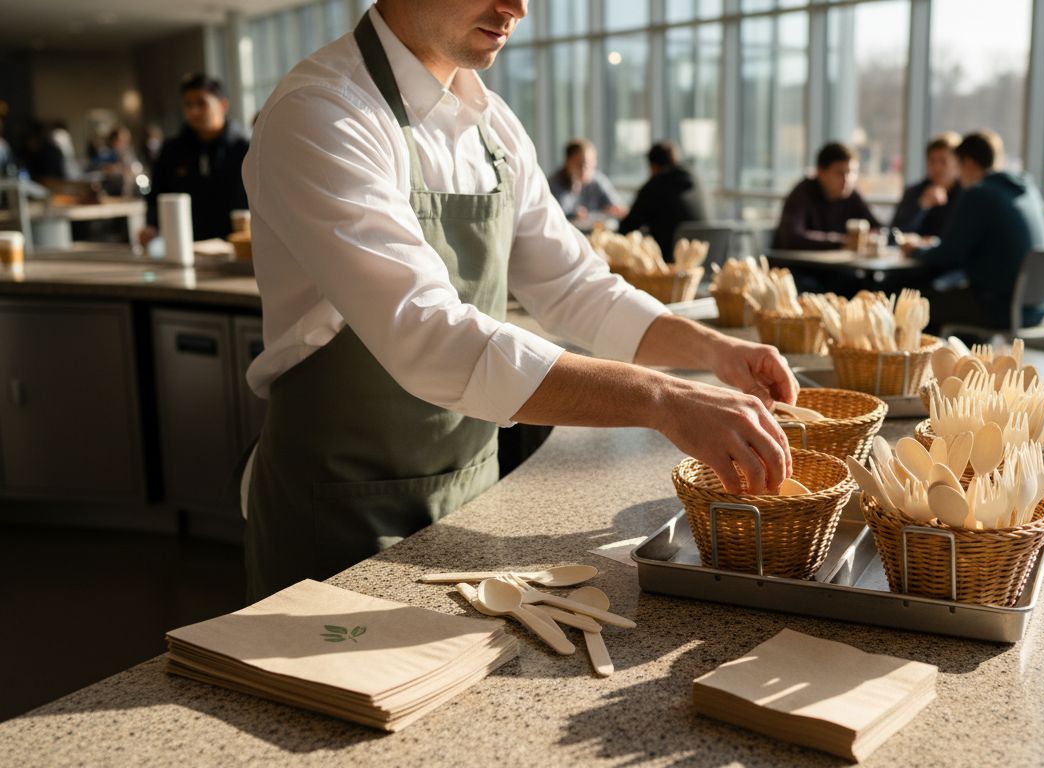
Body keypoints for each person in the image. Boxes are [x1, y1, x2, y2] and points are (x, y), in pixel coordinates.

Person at [241, 1, 795, 600]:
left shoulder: (492, 126)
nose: (518, 7)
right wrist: (664, 399)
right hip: (336, 508)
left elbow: (575, 285)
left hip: (472, 492)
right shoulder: (323, 111)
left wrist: (714, 351)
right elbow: (430, 335)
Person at [901, 131, 1044, 334]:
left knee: (919, 304)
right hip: (1037, 306)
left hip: (1001, 306)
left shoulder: (980, 194)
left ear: (968, 163)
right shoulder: (1025, 189)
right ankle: (970, 361)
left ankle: (937, 364)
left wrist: (915, 250)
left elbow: (949, 253)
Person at [138, 74, 249, 247]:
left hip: (235, 247)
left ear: (222, 105)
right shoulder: (172, 151)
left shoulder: (244, 150)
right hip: (184, 247)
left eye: (201, 103)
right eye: (188, 105)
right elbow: (157, 196)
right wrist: (152, 225)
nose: (193, 111)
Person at [772, 142, 880, 251]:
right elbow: (792, 238)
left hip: (838, 265)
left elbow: (878, 228)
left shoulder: (851, 195)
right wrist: (843, 241)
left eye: (851, 172)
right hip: (799, 265)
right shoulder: (801, 194)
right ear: (820, 172)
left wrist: (871, 238)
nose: (847, 179)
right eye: (839, 173)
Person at [619, 141, 707, 260]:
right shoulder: (697, 180)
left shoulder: (655, 186)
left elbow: (628, 227)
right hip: (704, 256)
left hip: (667, 264)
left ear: (653, 166)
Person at [890, 132, 962, 240]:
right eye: (932, 161)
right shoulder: (913, 192)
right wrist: (922, 206)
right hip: (913, 255)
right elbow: (894, 234)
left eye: (943, 161)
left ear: (957, 164)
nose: (936, 167)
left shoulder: (965, 195)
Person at [548, 138, 626, 223]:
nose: (584, 169)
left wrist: (615, 209)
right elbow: (555, 217)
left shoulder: (598, 180)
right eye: (579, 164)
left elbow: (618, 207)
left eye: (590, 163)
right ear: (567, 161)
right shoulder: (553, 184)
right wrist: (573, 215)